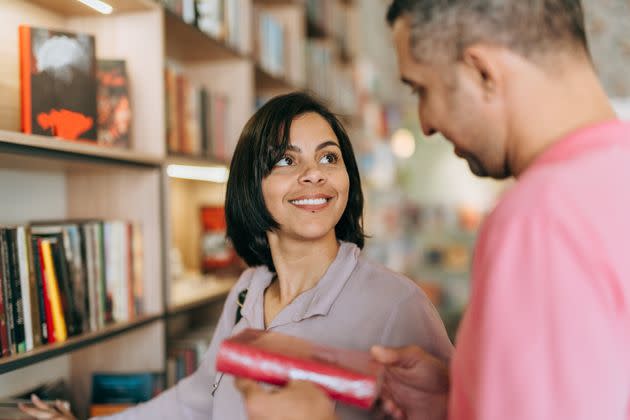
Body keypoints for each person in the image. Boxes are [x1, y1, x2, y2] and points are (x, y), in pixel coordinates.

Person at [236, 1, 630, 419]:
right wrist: (456, 400)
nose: (425, 123)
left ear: (482, 72)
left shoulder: (539, 219)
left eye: (421, 88)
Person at [20, 92, 453, 420]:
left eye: (329, 156)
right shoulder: (248, 292)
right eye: (286, 159)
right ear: (252, 185)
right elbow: (197, 396)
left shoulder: (397, 305)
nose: (315, 173)